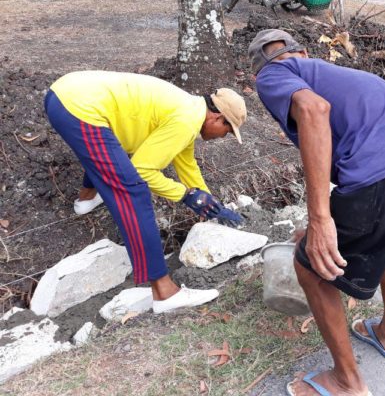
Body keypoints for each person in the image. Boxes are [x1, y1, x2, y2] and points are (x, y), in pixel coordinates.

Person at [249, 29, 385, 396]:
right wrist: (321, 220)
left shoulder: (274, 74)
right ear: (306, 51)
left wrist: (320, 219)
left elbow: (315, 111)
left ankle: (346, 381)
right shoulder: (347, 77)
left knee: (309, 267)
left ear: (257, 74)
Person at [45, 71, 247, 314]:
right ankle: (164, 292)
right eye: (226, 131)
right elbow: (142, 170)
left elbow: (186, 163)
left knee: (112, 156)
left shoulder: (188, 110)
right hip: (78, 108)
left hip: (65, 94)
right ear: (217, 118)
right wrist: (184, 194)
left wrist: (212, 204)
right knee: (133, 191)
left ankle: (86, 199)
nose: (221, 137)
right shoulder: (186, 120)